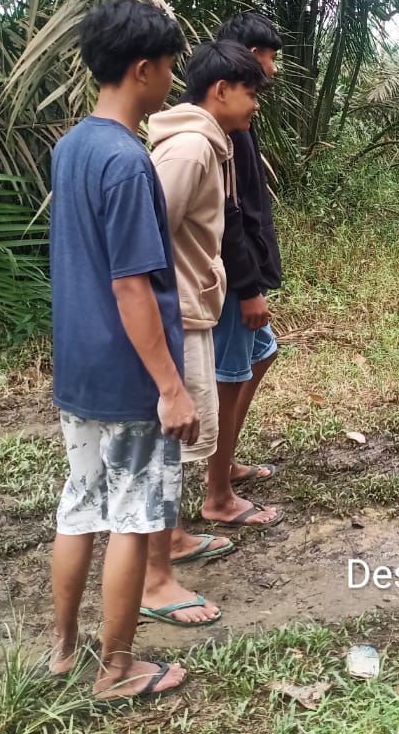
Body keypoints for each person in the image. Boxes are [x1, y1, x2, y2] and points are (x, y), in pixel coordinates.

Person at [47, 0, 199, 702]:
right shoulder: (127, 161)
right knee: (133, 520)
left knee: (80, 507)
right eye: (169, 67)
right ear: (143, 69)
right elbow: (133, 287)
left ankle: (61, 650)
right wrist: (170, 386)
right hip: (128, 374)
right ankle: (117, 668)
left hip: (77, 370)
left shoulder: (71, 146)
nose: (172, 79)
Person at [143, 41, 268, 604]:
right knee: (171, 433)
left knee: (182, 432)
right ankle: (162, 545)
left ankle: (170, 534)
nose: (255, 106)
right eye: (251, 93)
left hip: (193, 302)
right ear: (221, 90)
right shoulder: (193, 149)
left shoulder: (208, 144)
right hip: (179, 309)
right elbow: (146, 234)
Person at [199, 13, 286, 528]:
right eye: (268, 56)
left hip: (246, 272)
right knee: (228, 377)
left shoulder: (235, 123)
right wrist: (249, 286)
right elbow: (226, 219)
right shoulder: (217, 133)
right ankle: (217, 495)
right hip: (232, 280)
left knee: (262, 353)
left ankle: (223, 458)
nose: (272, 70)